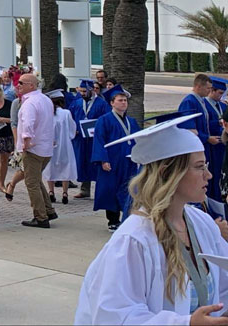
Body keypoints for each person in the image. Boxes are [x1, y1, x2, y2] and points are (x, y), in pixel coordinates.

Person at [75, 115, 228, 323]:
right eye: (199, 166)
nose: (208, 175)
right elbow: (115, 315)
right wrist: (186, 323)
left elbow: (223, 289)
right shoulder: (134, 239)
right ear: (169, 173)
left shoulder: (203, 224)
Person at [93, 84, 141, 231]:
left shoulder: (131, 121)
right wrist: (103, 159)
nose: (123, 103)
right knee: (111, 189)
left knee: (128, 189)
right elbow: (99, 140)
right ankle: (112, 220)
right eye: (120, 100)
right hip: (112, 160)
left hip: (129, 161)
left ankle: (126, 217)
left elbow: (139, 139)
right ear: (112, 103)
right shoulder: (104, 120)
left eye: (125, 100)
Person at [15, 72, 57, 229]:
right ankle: (48, 210)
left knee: (31, 182)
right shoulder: (45, 99)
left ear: (31, 85)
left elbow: (28, 123)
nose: (18, 85)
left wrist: (26, 141)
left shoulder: (30, 103)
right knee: (36, 180)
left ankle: (40, 216)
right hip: (45, 147)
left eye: (21, 83)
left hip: (34, 148)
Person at [71, 79, 107, 199]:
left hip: (94, 139)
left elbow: (105, 120)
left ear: (91, 90)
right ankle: (84, 189)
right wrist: (73, 129)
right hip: (80, 139)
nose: (82, 93)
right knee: (82, 162)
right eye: (80, 91)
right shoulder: (77, 103)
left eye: (84, 91)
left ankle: (100, 191)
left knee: (95, 163)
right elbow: (70, 118)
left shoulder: (101, 104)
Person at [42, 89, 79, 206]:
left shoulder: (47, 113)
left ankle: (51, 191)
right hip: (65, 145)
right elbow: (72, 130)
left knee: (50, 167)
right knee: (65, 167)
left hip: (50, 144)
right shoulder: (66, 113)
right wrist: (72, 134)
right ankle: (64, 193)